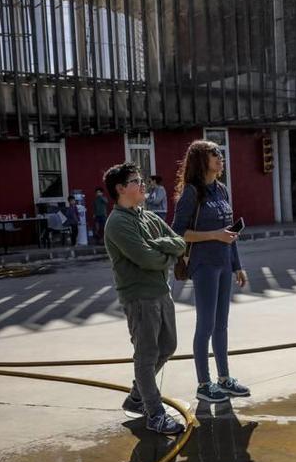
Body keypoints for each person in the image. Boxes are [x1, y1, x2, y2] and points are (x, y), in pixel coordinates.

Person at [103, 162, 186, 435]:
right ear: (120, 188)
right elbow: (146, 259)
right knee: (147, 354)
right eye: (137, 181)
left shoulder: (146, 217)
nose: (143, 185)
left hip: (161, 292)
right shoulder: (117, 223)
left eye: (142, 180)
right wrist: (165, 255)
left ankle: (137, 397)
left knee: (168, 346)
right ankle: (154, 413)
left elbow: (179, 242)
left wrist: (160, 246)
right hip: (139, 298)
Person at [173, 140, 250, 403]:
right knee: (205, 324)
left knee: (222, 324)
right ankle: (203, 383)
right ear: (201, 160)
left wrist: (237, 265)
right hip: (203, 265)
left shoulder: (222, 190)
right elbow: (178, 232)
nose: (220, 158)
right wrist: (213, 235)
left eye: (220, 153)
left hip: (224, 264)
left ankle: (225, 379)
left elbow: (230, 232)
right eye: (214, 154)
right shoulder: (192, 193)